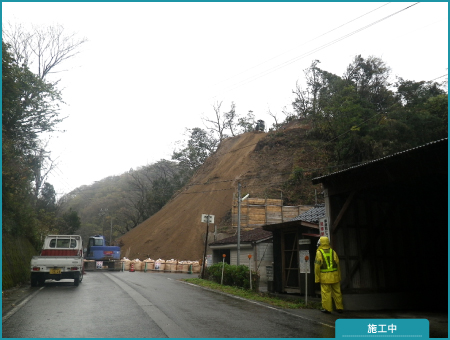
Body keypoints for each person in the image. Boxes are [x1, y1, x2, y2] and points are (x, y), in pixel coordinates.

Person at [314, 236, 344, 314]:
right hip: (335, 276)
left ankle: (327, 309)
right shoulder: (333, 252)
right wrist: (339, 276)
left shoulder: (319, 253)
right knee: (337, 292)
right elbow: (338, 265)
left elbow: (317, 266)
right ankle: (339, 308)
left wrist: (317, 278)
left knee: (326, 293)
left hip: (325, 277)